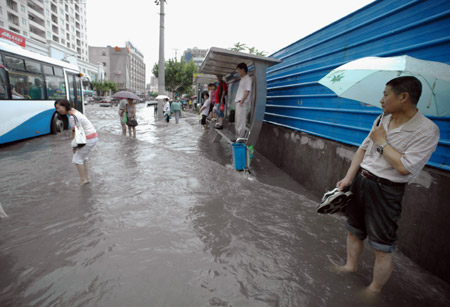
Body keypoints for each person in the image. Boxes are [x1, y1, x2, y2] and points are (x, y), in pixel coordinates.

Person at [335, 76, 440, 294]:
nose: (381, 100)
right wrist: (348, 178)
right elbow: (363, 149)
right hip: (361, 181)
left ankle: (373, 291)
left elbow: (404, 167)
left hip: (387, 190)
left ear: (403, 97)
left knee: (382, 247)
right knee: (353, 231)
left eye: (385, 94)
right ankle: (349, 267)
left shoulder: (427, 130)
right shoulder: (382, 119)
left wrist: (382, 142)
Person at [54, 98, 98, 186]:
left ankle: (83, 180)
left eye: (59, 108)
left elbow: (74, 132)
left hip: (88, 138)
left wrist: (74, 146)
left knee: (77, 159)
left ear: (65, 106)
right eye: (56, 109)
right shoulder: (75, 111)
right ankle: (86, 178)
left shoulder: (72, 117)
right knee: (83, 156)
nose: (58, 110)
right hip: (93, 136)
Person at [234, 63, 252, 139]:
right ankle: (237, 137)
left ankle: (240, 138)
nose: (237, 72)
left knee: (241, 121)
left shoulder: (248, 79)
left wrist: (242, 101)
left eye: (238, 70)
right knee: (238, 121)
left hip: (242, 103)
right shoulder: (243, 79)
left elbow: (247, 91)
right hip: (239, 102)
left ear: (242, 70)